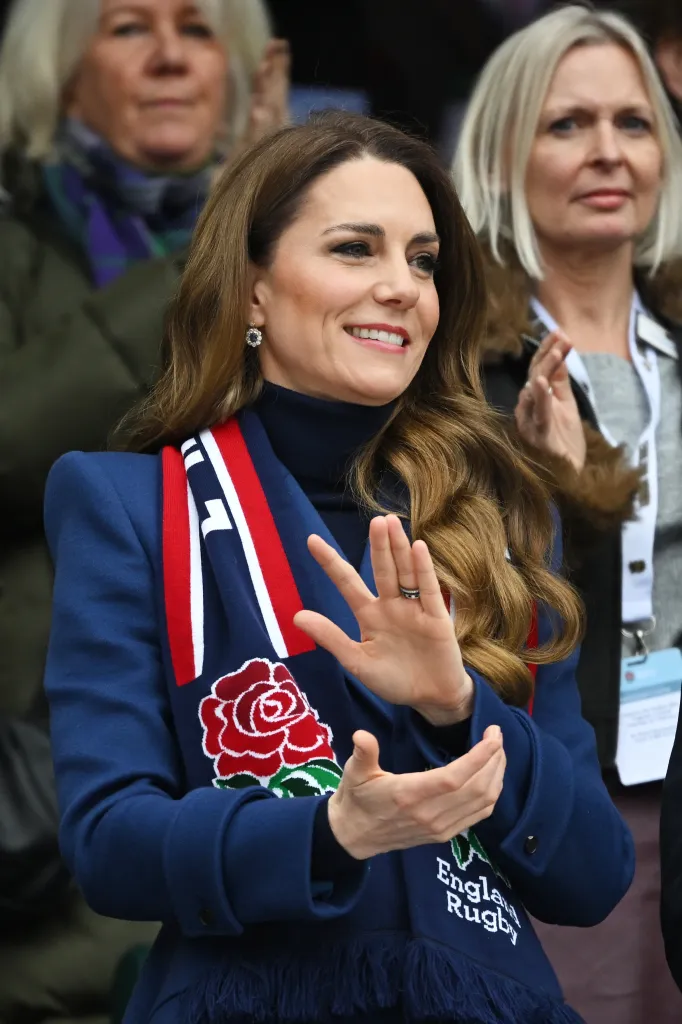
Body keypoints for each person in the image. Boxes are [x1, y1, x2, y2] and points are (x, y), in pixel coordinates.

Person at [43, 110, 633, 1024]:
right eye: (356, 249)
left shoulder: (507, 517)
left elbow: (593, 875)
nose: (402, 287)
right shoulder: (128, 502)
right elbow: (107, 841)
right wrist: (328, 833)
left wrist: (456, 708)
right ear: (252, 291)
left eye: (424, 259)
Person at [0, 1, 288, 1021]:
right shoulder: (15, 239)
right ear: (60, 72)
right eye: (129, 28)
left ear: (247, 74)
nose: (170, 56)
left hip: (266, 800)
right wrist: (209, 262)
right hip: (51, 845)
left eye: (199, 31)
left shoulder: (302, 259)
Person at [452, 6, 682, 1021]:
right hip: (556, 804)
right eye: (565, 124)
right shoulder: (454, 363)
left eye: (633, 124)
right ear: (500, 156)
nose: (606, 152)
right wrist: (543, 495)